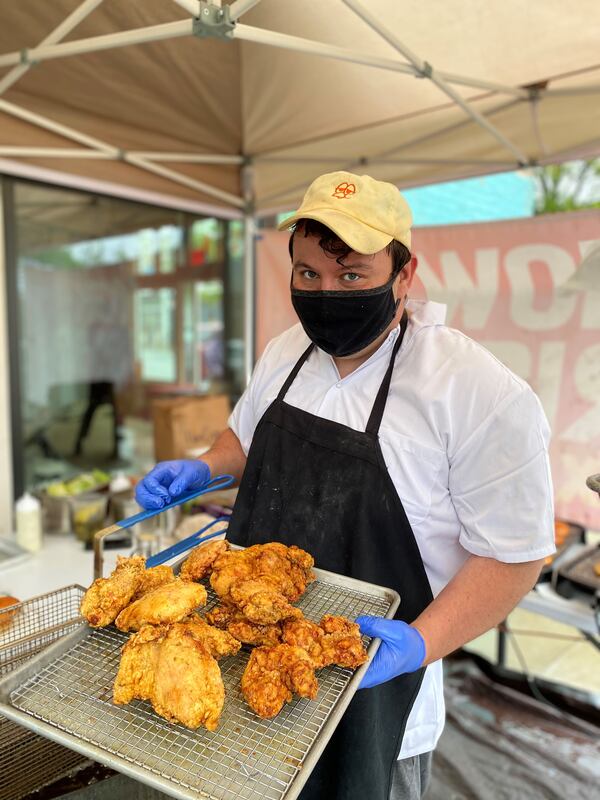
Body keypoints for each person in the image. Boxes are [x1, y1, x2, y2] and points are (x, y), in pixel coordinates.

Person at [136, 171, 555, 800]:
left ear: (404, 275)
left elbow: (517, 555)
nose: (326, 293)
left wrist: (420, 643)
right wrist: (206, 466)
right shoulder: (285, 351)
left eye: (351, 276)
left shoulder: (479, 394)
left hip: (379, 693)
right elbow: (243, 441)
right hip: (249, 670)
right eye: (309, 275)